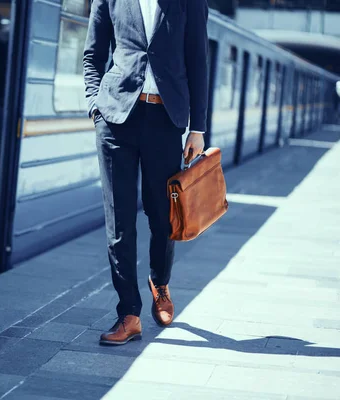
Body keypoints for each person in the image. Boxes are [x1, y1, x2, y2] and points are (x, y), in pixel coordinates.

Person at [83, 0, 209, 345]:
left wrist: (197, 128)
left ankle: (160, 282)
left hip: (164, 121)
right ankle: (129, 313)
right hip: (115, 119)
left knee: (162, 217)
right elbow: (93, 55)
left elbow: (198, 60)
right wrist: (95, 107)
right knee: (119, 221)